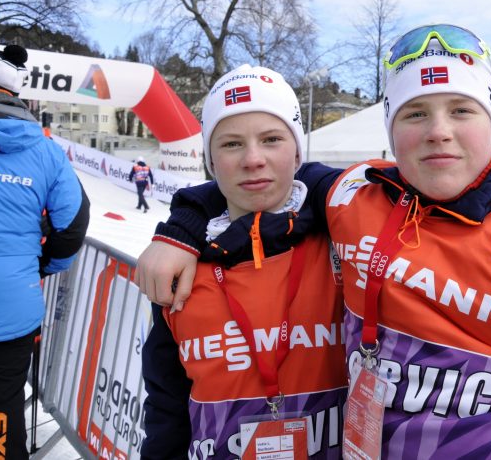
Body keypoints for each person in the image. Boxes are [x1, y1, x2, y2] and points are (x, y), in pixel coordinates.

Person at [136, 27, 491, 459]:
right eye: (414, 114)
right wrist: (181, 227)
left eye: (462, 110)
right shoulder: (354, 199)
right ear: (390, 129)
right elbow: (258, 183)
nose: (438, 132)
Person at [140, 65, 349, 458]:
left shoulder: (346, 240)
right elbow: (167, 404)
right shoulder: (180, 266)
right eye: (231, 144)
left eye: (271, 139)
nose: (253, 159)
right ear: (211, 161)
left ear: (298, 152)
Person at [0, 44, 90, 459]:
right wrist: (43, 266)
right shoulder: (46, 150)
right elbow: (73, 223)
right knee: (1, 408)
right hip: (12, 304)